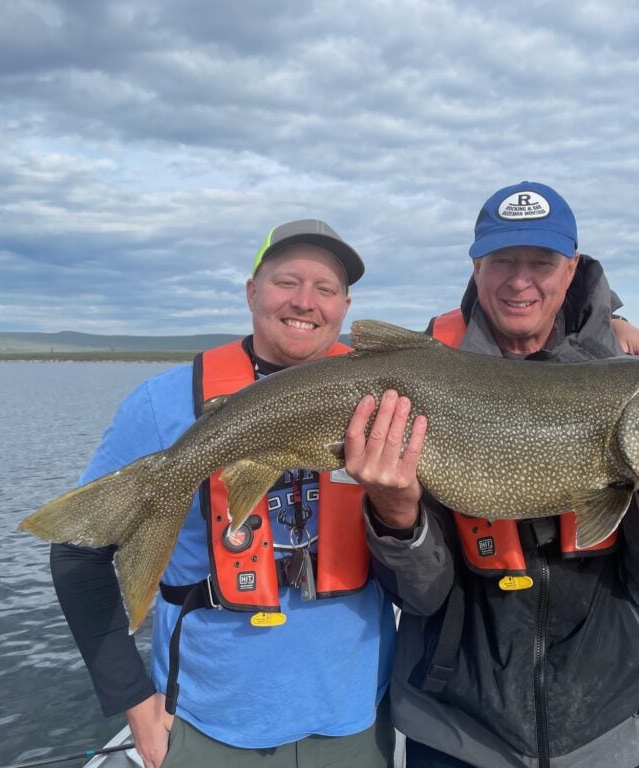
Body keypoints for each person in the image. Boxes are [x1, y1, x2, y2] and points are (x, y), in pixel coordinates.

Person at [345, 181, 639, 768]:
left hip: (616, 731)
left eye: (540, 262)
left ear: (571, 269)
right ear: (476, 267)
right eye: (502, 262)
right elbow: (418, 596)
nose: (520, 280)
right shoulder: (423, 374)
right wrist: (396, 515)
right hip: (457, 732)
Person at [49, 220, 399, 768]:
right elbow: (77, 555)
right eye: (287, 282)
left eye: (325, 289)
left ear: (346, 305)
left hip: (353, 721)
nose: (305, 302)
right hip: (203, 724)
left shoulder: (385, 401)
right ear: (251, 291)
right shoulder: (160, 404)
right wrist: (134, 701)